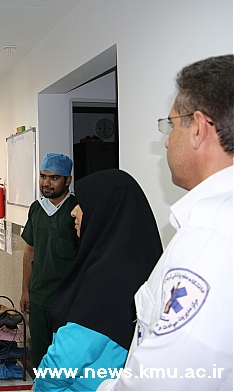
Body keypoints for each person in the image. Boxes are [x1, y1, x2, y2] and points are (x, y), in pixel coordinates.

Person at [100, 55, 233, 390]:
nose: (167, 140)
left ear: (198, 129)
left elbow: (162, 382)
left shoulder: (210, 238)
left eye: (172, 125)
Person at [34, 169, 163, 391]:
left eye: (83, 204)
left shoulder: (108, 277)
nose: (74, 211)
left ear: (104, 211)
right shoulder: (138, 265)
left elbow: (64, 361)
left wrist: (40, 387)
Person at [20, 153, 79, 369]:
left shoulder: (78, 210)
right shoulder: (37, 208)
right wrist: (25, 290)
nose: (46, 183)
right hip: (39, 296)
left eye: (54, 178)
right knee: (39, 351)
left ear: (67, 180)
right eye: (43, 176)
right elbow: (30, 250)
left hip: (67, 297)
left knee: (65, 354)